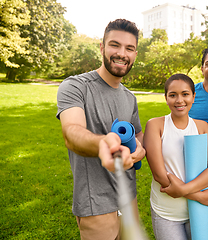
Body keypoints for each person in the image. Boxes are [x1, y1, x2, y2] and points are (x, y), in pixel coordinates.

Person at [56, 19, 146, 240]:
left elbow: (137, 134)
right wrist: (102, 143)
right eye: (115, 45)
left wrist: (141, 150)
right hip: (96, 203)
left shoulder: (129, 97)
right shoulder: (75, 86)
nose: (122, 53)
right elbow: (72, 132)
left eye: (129, 48)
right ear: (102, 47)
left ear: (135, 54)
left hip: (129, 198)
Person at [143, 73, 208, 240]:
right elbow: (159, 175)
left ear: (193, 96)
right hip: (167, 212)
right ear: (166, 98)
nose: (179, 100)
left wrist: (184, 190)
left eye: (185, 94)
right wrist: (197, 195)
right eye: (173, 95)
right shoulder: (155, 125)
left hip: (198, 211)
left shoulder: (202, 127)